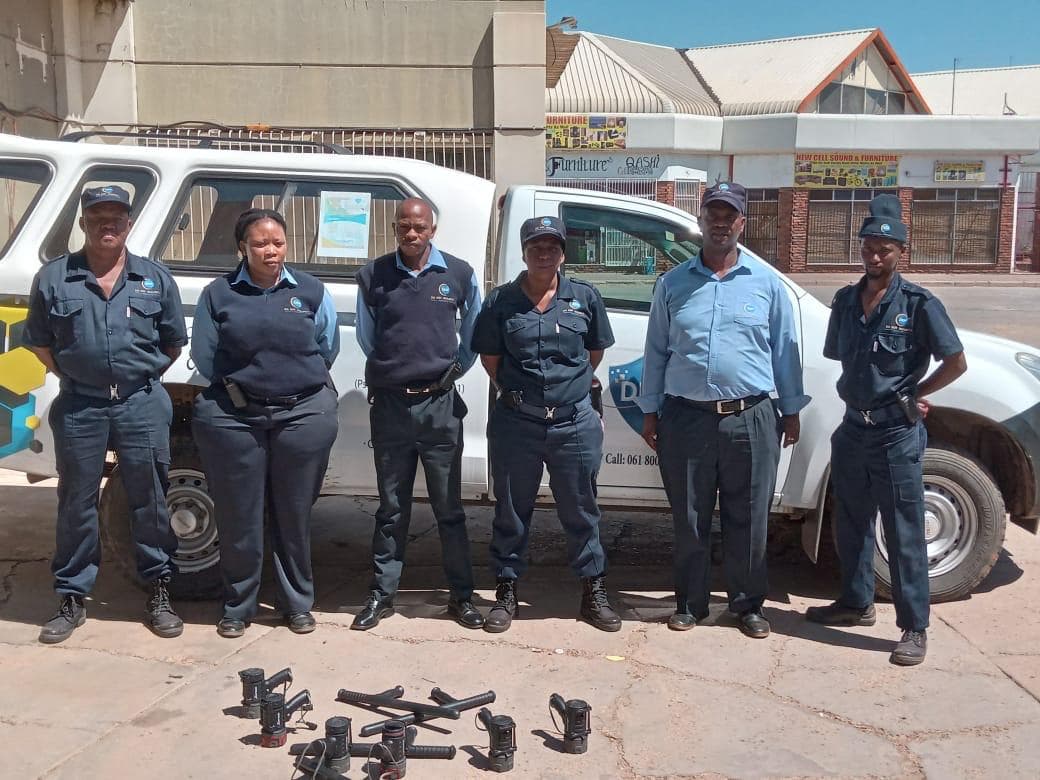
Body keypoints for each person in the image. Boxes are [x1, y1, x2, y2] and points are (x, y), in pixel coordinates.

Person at [638, 182, 808, 638]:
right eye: (712, 213)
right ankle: (689, 604)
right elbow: (656, 352)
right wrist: (650, 412)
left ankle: (748, 605)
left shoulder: (767, 285)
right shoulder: (672, 284)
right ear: (701, 222)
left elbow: (785, 353)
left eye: (728, 215)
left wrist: (790, 411)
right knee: (690, 516)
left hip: (751, 416)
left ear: (741, 224)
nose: (719, 222)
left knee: (749, 515)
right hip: (686, 417)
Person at [805, 194, 966, 666]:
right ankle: (855, 603)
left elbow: (955, 360)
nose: (875, 256)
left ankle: (914, 626)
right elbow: (840, 357)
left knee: (903, 533)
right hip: (854, 428)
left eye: (884, 249)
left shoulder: (918, 304)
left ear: (901, 253)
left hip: (896, 433)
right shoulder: (845, 300)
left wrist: (919, 391)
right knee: (851, 522)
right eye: (869, 247)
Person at [24, 185, 186, 643]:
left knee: (150, 499)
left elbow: (172, 342)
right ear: (83, 223)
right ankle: (72, 597)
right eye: (98, 217)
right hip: (81, 404)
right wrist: (83, 378)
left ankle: (158, 591)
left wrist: (134, 379)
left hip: (140, 402)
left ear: (129, 224)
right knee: (76, 503)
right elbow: (40, 341)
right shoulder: (55, 278)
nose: (107, 225)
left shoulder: (155, 277)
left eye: (116, 217)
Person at [190, 208, 340, 638]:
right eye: (259, 243)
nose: (270, 251)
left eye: (277, 242)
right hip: (236, 416)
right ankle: (238, 605)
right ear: (242, 248)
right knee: (240, 516)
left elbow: (325, 346)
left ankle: (297, 604)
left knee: (293, 514)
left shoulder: (310, 291)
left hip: (302, 414)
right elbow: (205, 356)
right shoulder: (218, 295)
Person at [472, 215, 621, 633]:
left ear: (562, 253)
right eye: (536, 246)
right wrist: (524, 397)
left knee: (581, 511)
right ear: (523, 251)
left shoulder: (585, 298)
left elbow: (593, 354)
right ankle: (506, 592)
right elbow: (491, 360)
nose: (544, 253)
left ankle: (593, 591)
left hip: (573, 422)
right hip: (518, 423)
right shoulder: (501, 301)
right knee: (512, 512)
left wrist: (563, 394)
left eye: (552, 246)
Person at [352, 197, 483, 631]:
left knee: (449, 508)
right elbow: (369, 338)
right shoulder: (374, 275)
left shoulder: (459, 274)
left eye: (419, 226)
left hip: (440, 407)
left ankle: (461, 597)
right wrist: (397, 373)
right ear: (395, 227)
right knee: (391, 507)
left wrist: (450, 373)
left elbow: (474, 334)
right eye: (404, 226)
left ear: (433, 229)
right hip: (390, 407)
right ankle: (382, 595)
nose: (411, 234)